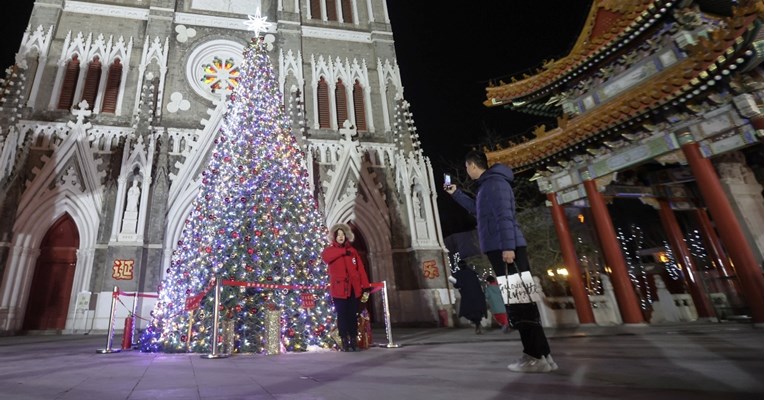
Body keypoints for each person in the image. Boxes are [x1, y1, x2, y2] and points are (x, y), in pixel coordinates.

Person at [445, 150, 557, 373]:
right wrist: (456, 194)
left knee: (519, 302)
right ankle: (543, 354)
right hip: (502, 247)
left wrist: (508, 247)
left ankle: (534, 356)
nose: (466, 171)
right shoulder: (488, 185)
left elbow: (505, 215)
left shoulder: (494, 184)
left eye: (467, 167)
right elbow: (478, 210)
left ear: (472, 165)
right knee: (522, 300)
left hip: (505, 249)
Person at [321, 223, 371, 352]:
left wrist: (365, 286)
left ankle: (353, 340)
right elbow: (326, 257)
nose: (341, 237)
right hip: (339, 290)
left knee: (352, 315)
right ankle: (344, 341)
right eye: (338, 235)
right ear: (334, 237)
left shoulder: (353, 252)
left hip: (353, 289)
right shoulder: (330, 250)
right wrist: (343, 251)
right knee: (342, 315)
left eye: (343, 235)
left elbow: (360, 269)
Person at [447, 261, 487, 334]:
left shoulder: (459, 274)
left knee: (468, 311)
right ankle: (477, 324)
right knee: (477, 311)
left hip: (467, 295)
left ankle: (476, 324)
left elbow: (458, 285)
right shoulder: (472, 272)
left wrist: (453, 281)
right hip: (477, 294)